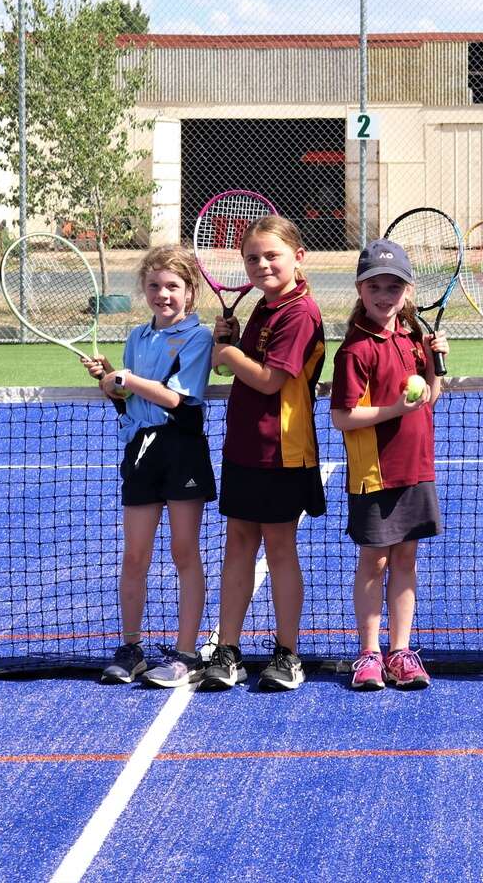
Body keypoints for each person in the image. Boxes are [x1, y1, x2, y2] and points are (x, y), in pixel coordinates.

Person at [199, 215, 327, 692]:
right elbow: (248, 370)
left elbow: (272, 380)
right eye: (252, 257)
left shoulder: (300, 312)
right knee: (237, 545)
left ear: (298, 257)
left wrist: (227, 354)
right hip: (244, 448)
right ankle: (228, 649)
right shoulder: (263, 307)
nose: (261, 264)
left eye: (271, 255)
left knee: (279, 549)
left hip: (283, 452)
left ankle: (288, 653)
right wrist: (231, 341)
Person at [81, 247, 215, 687]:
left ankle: (186, 652)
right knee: (134, 554)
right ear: (144, 289)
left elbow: (177, 399)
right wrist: (111, 382)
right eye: (155, 285)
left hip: (182, 450)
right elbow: (130, 400)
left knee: (183, 551)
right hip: (141, 452)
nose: (163, 294)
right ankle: (131, 647)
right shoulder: (137, 337)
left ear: (190, 292)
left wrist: (126, 380)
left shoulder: (198, 338)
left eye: (173, 286)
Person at [331, 239, 447, 692]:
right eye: (375, 286)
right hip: (374, 473)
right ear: (361, 290)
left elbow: (430, 397)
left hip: (417, 469)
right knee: (374, 562)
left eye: (394, 286)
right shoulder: (355, 350)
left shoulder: (414, 339)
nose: (385, 295)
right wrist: (395, 410)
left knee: (406, 559)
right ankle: (368, 653)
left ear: (408, 291)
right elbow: (342, 417)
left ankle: (400, 651)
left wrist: (436, 366)